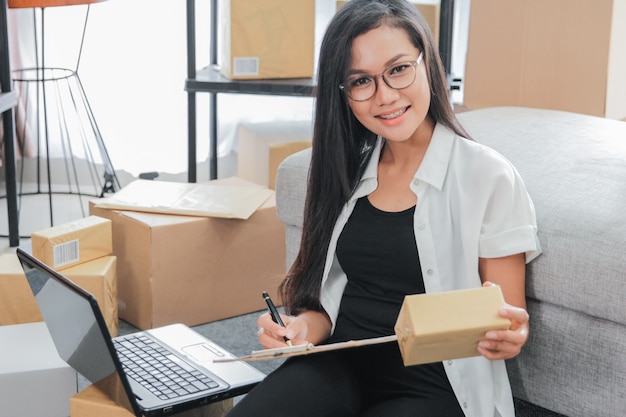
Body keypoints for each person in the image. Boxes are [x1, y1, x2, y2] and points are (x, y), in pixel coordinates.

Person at [225, 0, 541, 416]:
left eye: (398, 69)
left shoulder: (489, 176)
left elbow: (508, 317)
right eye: (361, 81)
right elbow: (327, 306)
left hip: (436, 384)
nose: (385, 96)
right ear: (344, 93)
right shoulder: (343, 168)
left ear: (426, 63)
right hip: (338, 365)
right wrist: (302, 329)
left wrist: (509, 333)